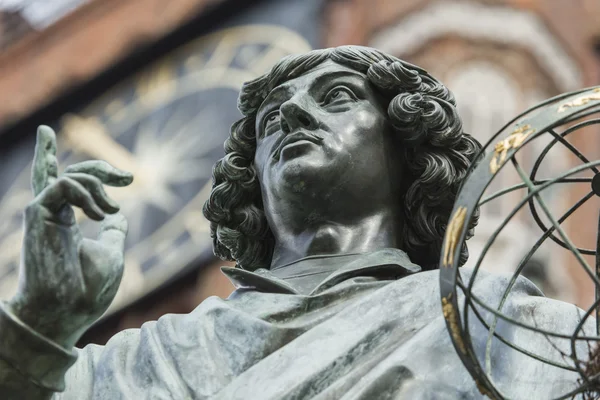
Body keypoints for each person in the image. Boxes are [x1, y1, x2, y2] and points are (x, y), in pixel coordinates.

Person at [0, 46, 593, 399]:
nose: (291, 112)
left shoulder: (500, 320)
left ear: (406, 142)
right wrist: (38, 326)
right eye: (266, 124)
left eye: (336, 95)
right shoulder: (149, 358)